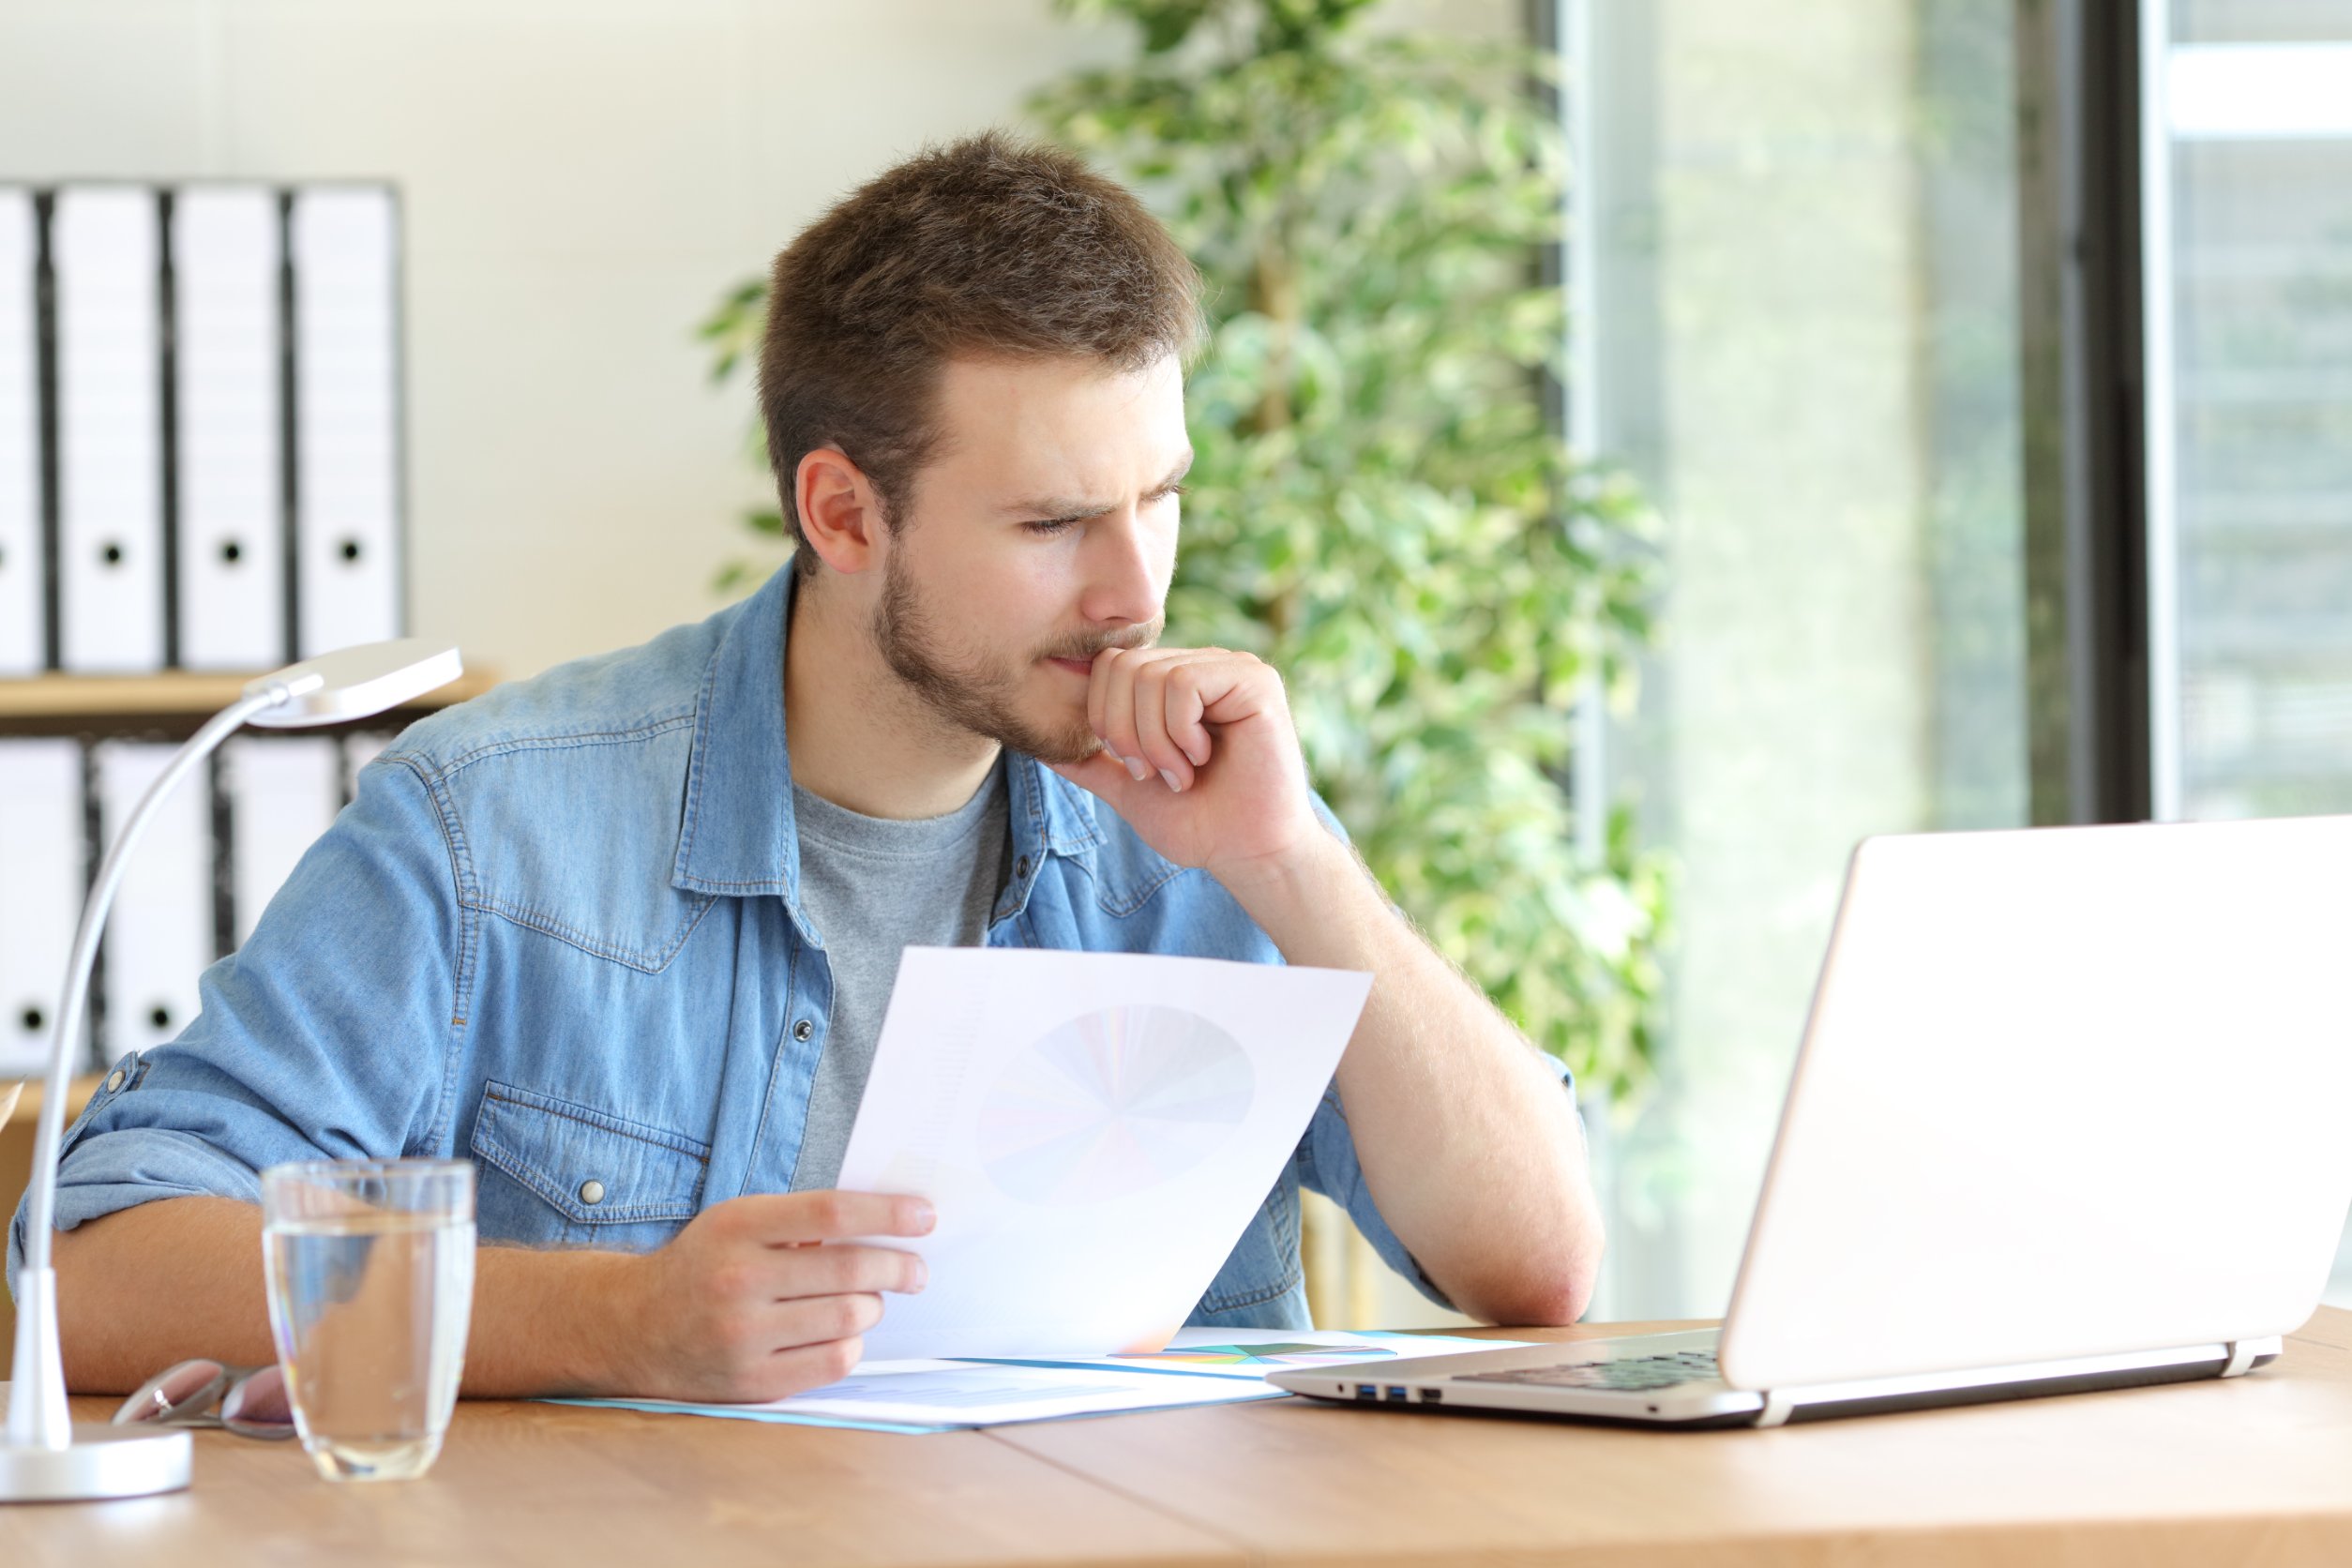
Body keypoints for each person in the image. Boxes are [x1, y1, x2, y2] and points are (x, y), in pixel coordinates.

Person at [11, 132, 1603, 1403]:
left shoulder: (1208, 809)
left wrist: (1292, 867)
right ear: (844, 515)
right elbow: (98, 1268)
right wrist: (618, 1318)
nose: (1137, 591)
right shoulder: (491, 824)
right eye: (1052, 523)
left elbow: (1537, 1272)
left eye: (1160, 497)